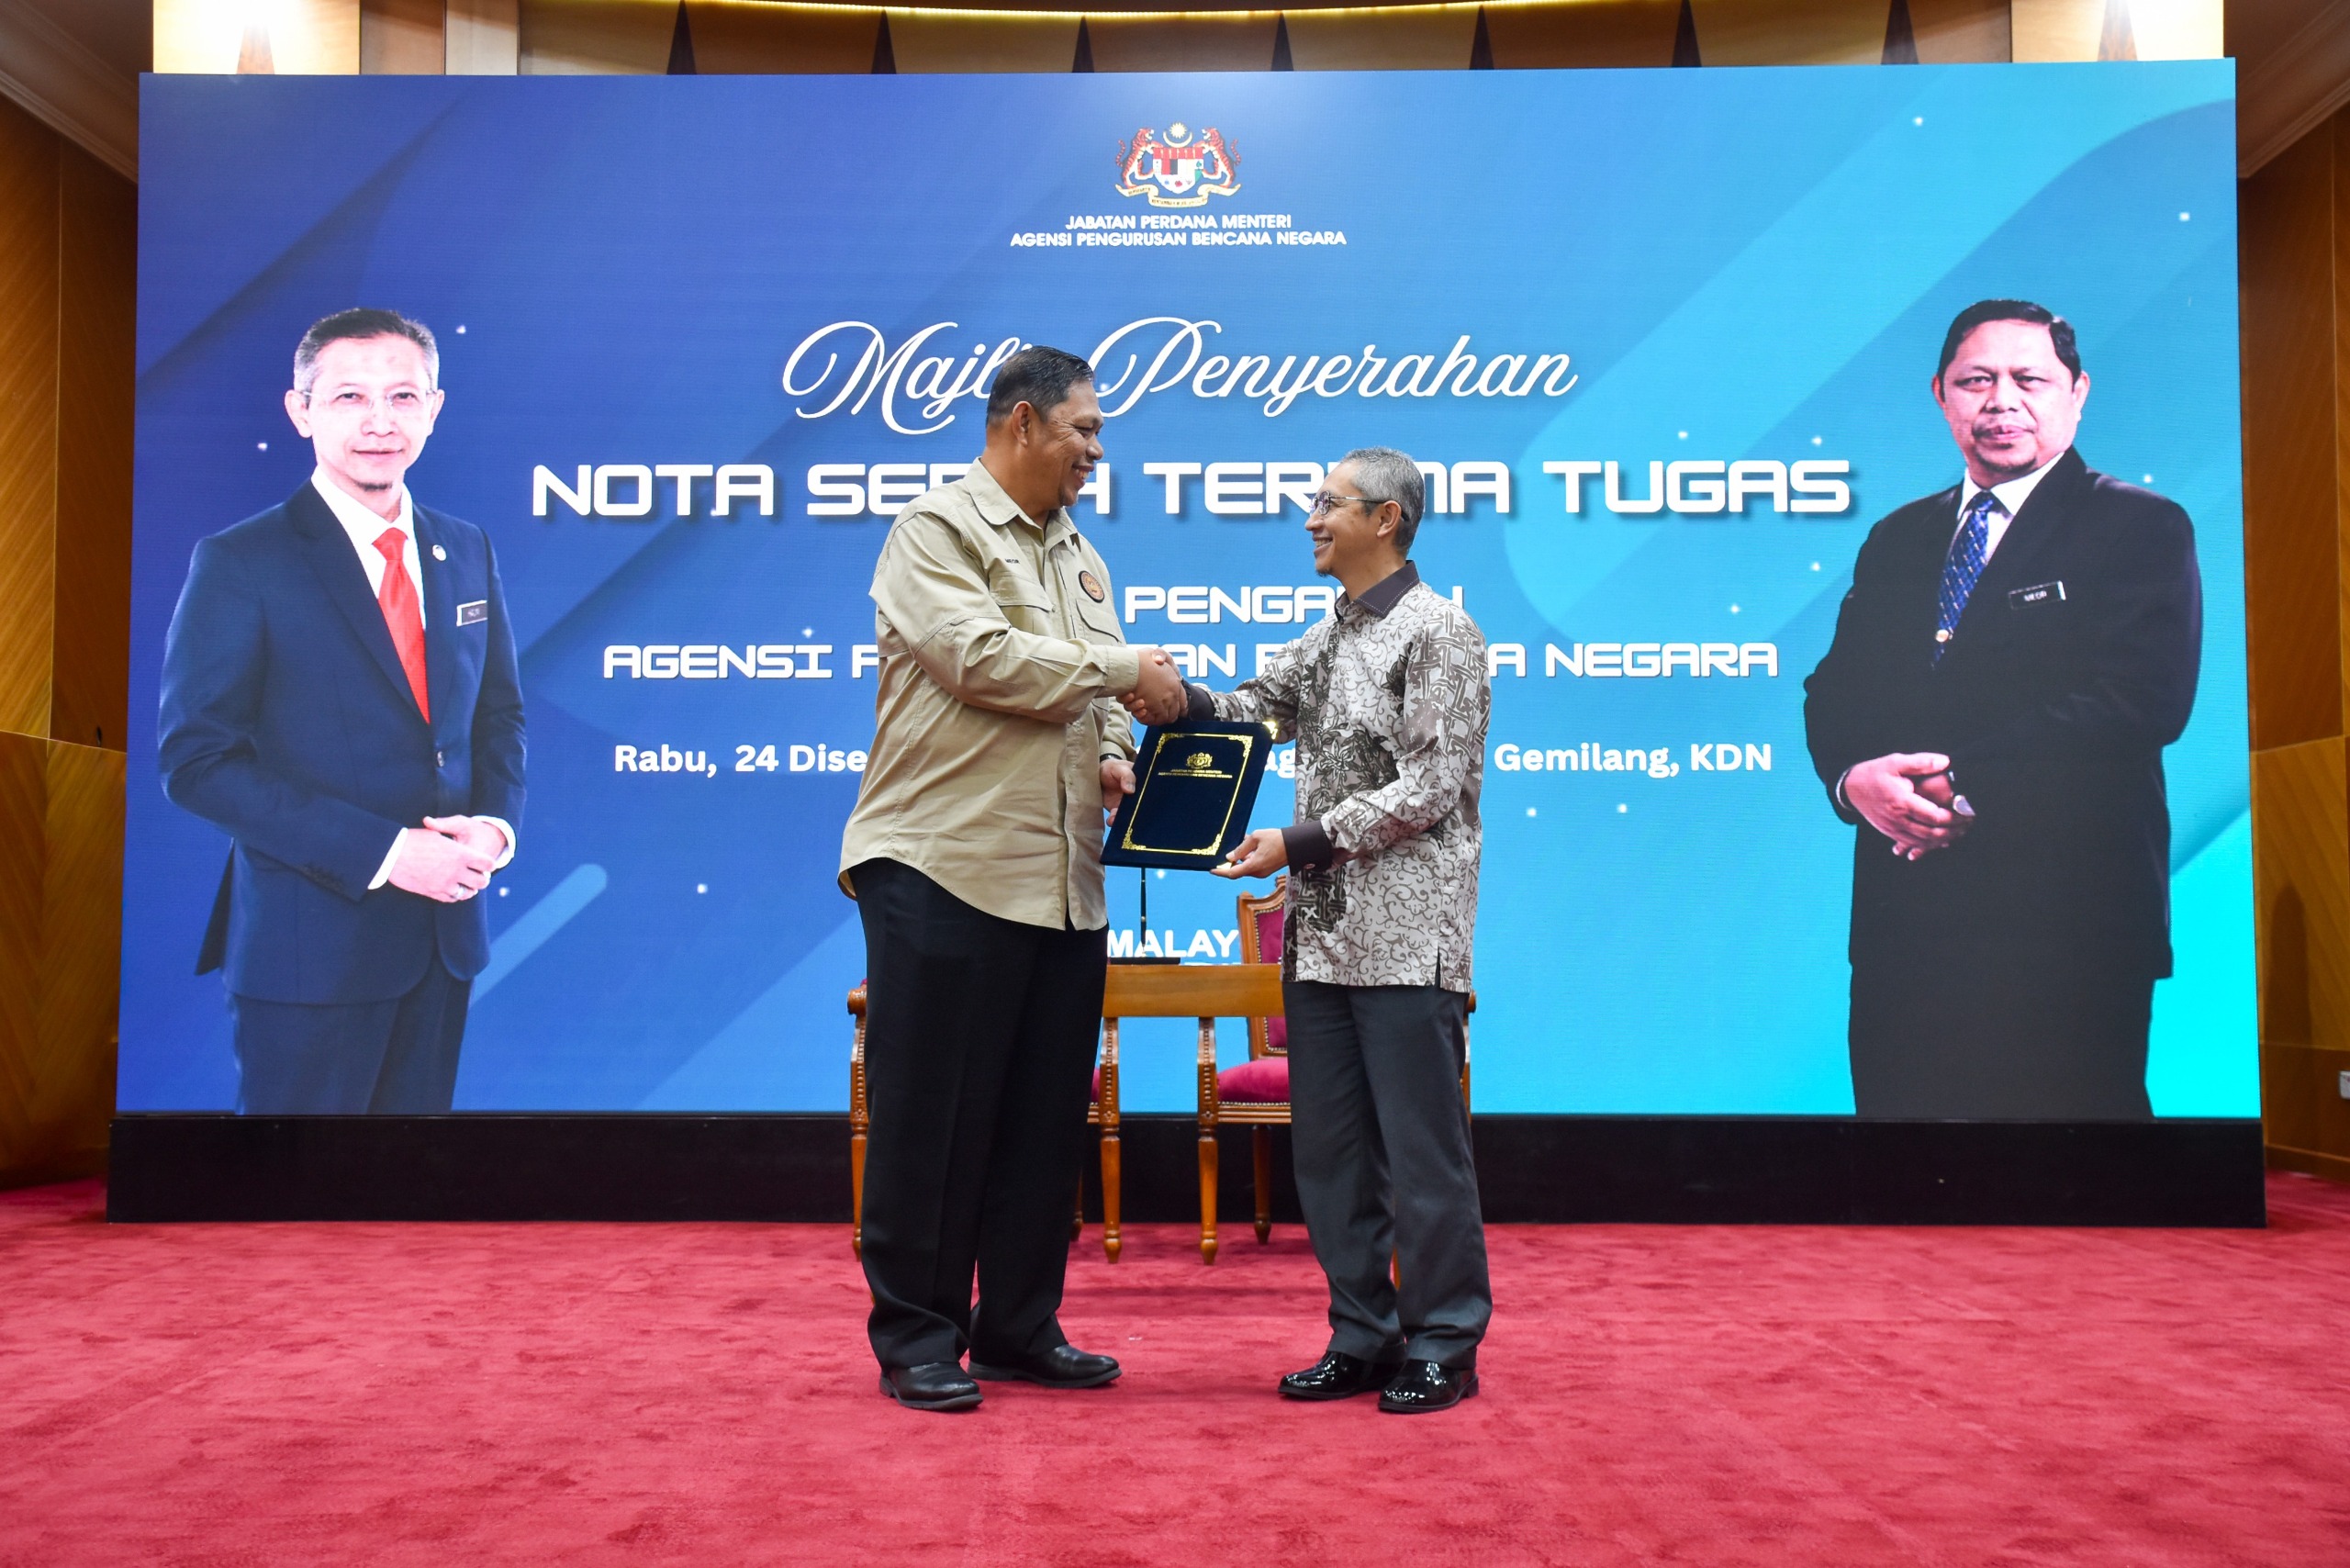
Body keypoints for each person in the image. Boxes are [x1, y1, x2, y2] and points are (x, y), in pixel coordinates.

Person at [839, 344, 1190, 1414]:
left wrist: (1113, 754)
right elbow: (978, 658)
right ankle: (918, 1337)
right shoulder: (935, 529)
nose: (1097, 452)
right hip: (946, 862)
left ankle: (1019, 1326)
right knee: (931, 1117)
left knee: (1042, 1121)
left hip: (1061, 878)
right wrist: (1124, 671)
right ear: (1023, 422)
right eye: (1085, 429)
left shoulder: (1082, 556)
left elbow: (1089, 706)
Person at [1803, 299, 2201, 1120]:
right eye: (1976, 381)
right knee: (1901, 1164)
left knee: (2069, 1171)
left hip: (2069, 918)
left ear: (2077, 392)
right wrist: (1854, 781)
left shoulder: (2139, 525)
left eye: (2029, 379)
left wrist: (1959, 784)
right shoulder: (1899, 537)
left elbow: (2140, 701)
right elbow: (1834, 690)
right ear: (1941, 394)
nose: (2002, 402)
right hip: (1907, 918)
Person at [1170, 447, 1493, 1415]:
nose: (1310, 518)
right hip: (1319, 942)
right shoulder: (1328, 635)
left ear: (1387, 518)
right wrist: (1166, 697)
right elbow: (1249, 712)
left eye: (1328, 503)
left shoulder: (1441, 632)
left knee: (1422, 1155)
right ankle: (1362, 1335)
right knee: (1331, 1156)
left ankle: (1444, 1342)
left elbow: (1430, 788)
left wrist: (1298, 841)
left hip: (1406, 942)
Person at [159, 308, 525, 1115]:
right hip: (308, 952)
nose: (379, 422)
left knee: (408, 1188)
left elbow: (498, 717)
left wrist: (495, 831)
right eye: (350, 397)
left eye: (402, 397)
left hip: (444, 942)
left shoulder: (466, 548)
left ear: (434, 409)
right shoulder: (241, 560)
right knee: (303, 1192)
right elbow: (198, 763)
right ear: (301, 411)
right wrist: (389, 854)